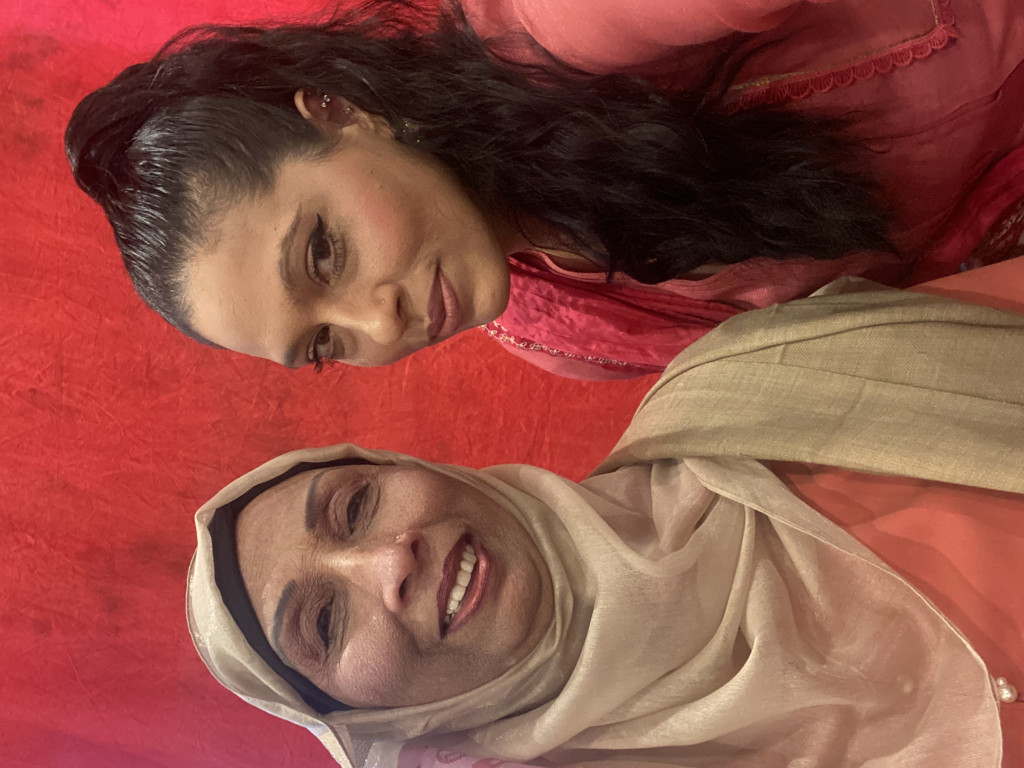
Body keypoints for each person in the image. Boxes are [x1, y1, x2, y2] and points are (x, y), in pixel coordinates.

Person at [187, 266, 1024, 768]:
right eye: (325, 623)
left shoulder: (755, 383)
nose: (389, 562)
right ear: (371, 722)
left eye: (355, 506)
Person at [66, 1, 1024, 378]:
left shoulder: (560, 27)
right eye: (323, 345)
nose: (376, 320)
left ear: (340, 110)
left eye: (324, 253)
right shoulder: (569, 338)